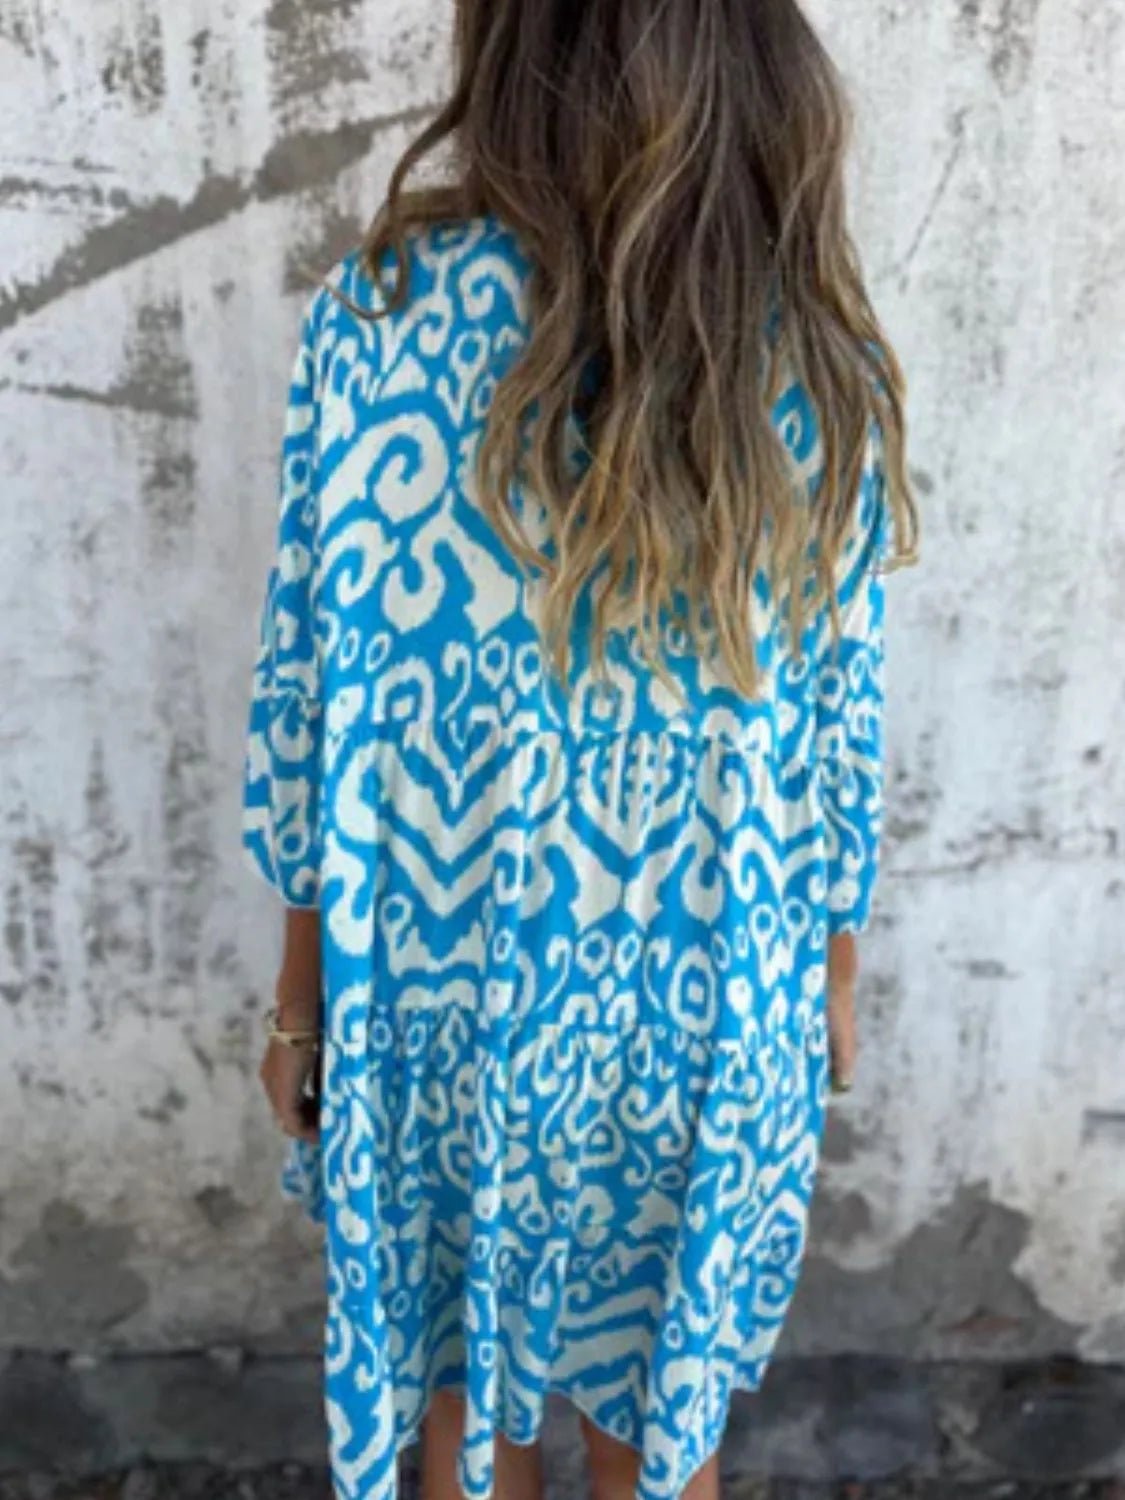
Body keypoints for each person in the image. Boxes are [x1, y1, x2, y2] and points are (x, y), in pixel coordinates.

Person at [241, 2, 920, 1498]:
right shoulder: (813, 349)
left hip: (446, 994)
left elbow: (314, 698)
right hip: (708, 1000)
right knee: (658, 1432)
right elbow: (836, 726)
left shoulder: (378, 315)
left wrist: (301, 1004)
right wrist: (828, 976)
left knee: (455, 1412)